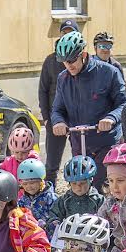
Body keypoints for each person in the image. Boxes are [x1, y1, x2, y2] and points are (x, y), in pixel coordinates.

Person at [50, 32, 126, 178]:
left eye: (72, 60)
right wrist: (58, 121)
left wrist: (111, 118)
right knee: (79, 187)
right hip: (79, 143)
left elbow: (124, 102)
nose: (69, 65)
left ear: (84, 55)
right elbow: (57, 109)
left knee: (102, 187)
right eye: (64, 61)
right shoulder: (63, 78)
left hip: (106, 143)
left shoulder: (109, 72)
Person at [38, 20, 80, 175]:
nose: (67, 35)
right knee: (52, 163)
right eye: (64, 32)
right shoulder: (50, 60)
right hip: (56, 117)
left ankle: (79, 191)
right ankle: (51, 193)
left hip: (77, 117)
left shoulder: (82, 59)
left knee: (80, 159)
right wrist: (46, 117)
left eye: (71, 32)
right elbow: (43, 90)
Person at [53, 156, 104, 222]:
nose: (78, 187)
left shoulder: (98, 200)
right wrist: (54, 223)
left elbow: (106, 219)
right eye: (74, 184)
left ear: (90, 180)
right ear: (69, 183)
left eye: (82, 183)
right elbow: (53, 214)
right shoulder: (64, 200)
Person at [16, 159, 59, 234]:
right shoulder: (23, 200)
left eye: (32, 183)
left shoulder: (51, 198)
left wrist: (47, 224)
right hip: (30, 234)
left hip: (48, 234)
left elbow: (57, 216)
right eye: (25, 184)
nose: (29, 186)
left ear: (41, 181)